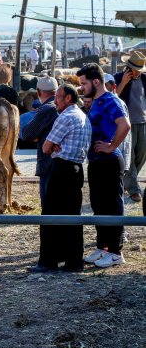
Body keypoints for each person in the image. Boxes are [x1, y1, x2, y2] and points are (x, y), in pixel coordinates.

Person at [29, 84, 92, 273]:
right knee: (73, 216)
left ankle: (48, 260)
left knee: (50, 215)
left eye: (58, 97)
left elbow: (46, 148)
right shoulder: (83, 117)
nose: (55, 100)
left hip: (60, 169)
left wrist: (55, 145)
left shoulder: (65, 117)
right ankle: (73, 261)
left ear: (68, 99)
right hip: (76, 169)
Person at [77, 63, 131, 268]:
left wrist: (111, 146)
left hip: (109, 161)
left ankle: (116, 252)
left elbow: (124, 125)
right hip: (96, 161)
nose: (81, 88)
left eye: (84, 83)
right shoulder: (97, 101)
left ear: (96, 82)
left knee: (113, 205)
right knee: (99, 205)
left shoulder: (110, 100)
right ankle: (103, 247)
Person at [21, 76, 59, 208]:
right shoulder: (67, 106)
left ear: (38, 92)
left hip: (48, 163)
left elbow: (27, 134)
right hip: (66, 162)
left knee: (48, 205)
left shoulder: (46, 109)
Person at [113, 52, 146, 201]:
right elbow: (113, 98)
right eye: (135, 68)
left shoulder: (144, 79)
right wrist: (123, 83)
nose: (137, 72)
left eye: (140, 69)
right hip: (126, 122)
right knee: (130, 156)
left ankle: (128, 180)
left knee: (142, 153)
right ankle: (134, 189)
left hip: (143, 121)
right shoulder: (119, 77)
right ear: (129, 67)